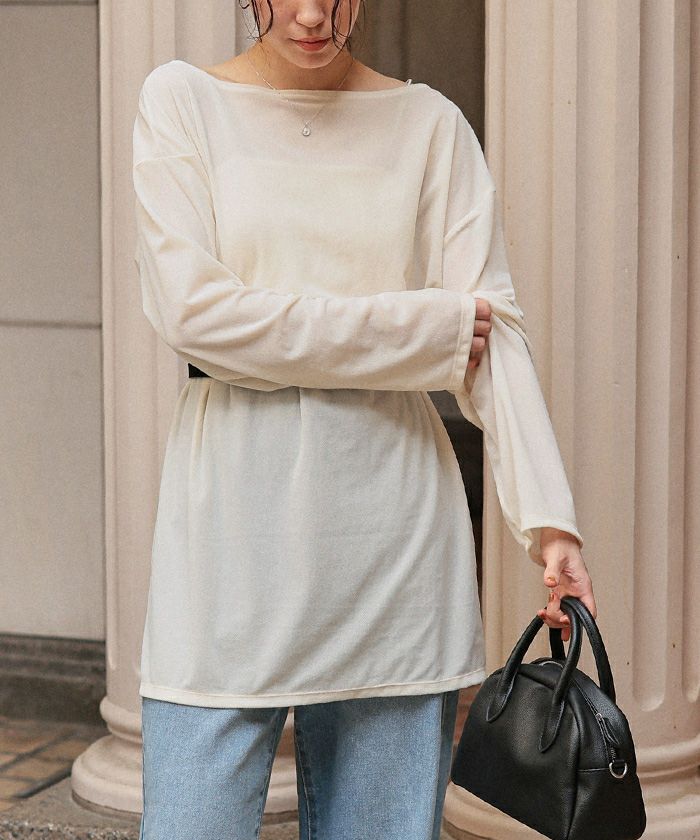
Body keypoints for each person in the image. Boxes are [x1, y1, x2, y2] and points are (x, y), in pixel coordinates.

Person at [132, 1, 597, 838]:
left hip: (394, 547)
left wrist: (549, 524)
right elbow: (193, 315)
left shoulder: (429, 125)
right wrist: (422, 332)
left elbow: (495, 337)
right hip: (230, 538)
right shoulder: (181, 102)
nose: (313, 14)